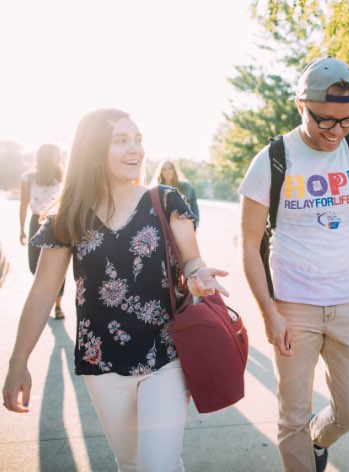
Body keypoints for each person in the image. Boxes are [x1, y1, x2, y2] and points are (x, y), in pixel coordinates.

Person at [3, 109, 229, 472]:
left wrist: (200, 274)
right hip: (102, 360)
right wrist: (18, 363)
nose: (134, 149)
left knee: (157, 465)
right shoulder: (68, 216)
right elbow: (44, 292)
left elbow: (192, 260)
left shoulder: (165, 200)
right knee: (131, 463)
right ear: (93, 150)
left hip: (165, 354)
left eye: (138, 139)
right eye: (121, 140)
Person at [238, 56, 349, 472]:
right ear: (300, 105)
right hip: (292, 304)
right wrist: (269, 313)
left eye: (348, 121)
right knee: (292, 416)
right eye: (325, 120)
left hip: (346, 302)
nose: (336, 132)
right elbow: (249, 245)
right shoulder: (271, 159)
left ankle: (318, 439)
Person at [19, 144, 66, 319]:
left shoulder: (63, 176)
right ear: (46, 157)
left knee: (58, 266)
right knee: (34, 265)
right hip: (36, 221)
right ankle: (45, 297)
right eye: (56, 155)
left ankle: (57, 306)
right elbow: (23, 205)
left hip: (56, 223)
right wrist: (21, 230)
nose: (59, 159)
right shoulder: (29, 178)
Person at [152, 160, 199, 225]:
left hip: (184, 226)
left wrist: (195, 226)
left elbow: (194, 209)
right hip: (163, 228)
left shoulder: (187, 187)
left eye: (170, 168)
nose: (167, 171)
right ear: (160, 172)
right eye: (164, 169)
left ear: (174, 170)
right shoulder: (155, 190)